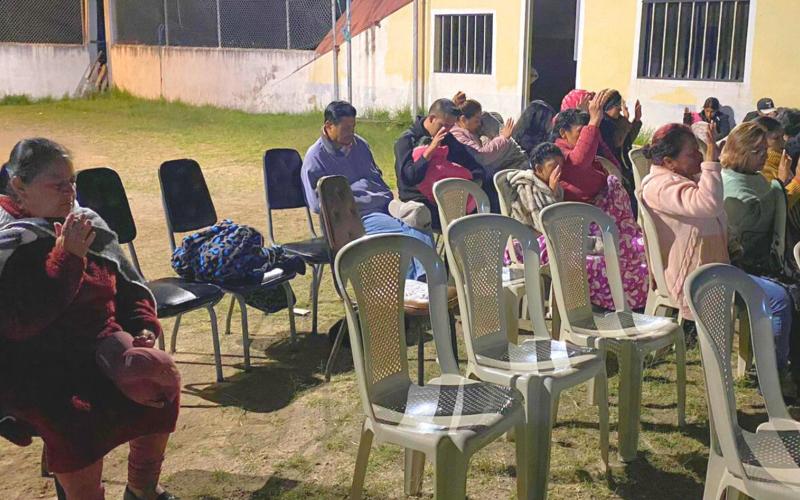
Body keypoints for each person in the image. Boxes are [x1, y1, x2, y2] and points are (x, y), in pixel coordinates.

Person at [0, 139, 180, 500]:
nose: (71, 192)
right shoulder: (9, 241)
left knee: (159, 381)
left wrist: (143, 327)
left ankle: (142, 489)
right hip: (36, 364)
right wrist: (67, 259)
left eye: (73, 182)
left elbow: (127, 287)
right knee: (76, 418)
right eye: (58, 184)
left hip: (102, 347)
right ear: (20, 187)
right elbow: (21, 322)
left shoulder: (83, 223)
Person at [641, 124, 796, 392]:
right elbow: (710, 205)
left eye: (701, 153)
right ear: (669, 161)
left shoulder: (681, 179)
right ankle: (771, 377)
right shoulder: (660, 186)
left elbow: (715, 216)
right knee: (779, 299)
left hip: (716, 269)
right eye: (694, 154)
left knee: (788, 293)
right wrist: (712, 160)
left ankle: (777, 370)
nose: (701, 159)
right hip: (695, 278)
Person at [301, 101, 434, 280]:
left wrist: (377, 195)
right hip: (355, 216)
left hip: (384, 205)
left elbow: (375, 178)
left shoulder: (360, 145)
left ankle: (425, 280)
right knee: (404, 237)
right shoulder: (315, 158)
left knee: (420, 220)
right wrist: (359, 193)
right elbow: (318, 205)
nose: (351, 132)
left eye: (353, 127)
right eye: (346, 128)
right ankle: (422, 284)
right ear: (329, 126)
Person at [552, 90, 649, 309]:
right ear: (563, 133)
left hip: (602, 221)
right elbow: (579, 162)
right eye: (580, 132)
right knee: (623, 258)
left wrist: (633, 122)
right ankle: (616, 303)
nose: (586, 136)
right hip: (579, 228)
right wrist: (594, 122)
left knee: (642, 251)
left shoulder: (586, 147)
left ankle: (636, 304)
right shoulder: (559, 153)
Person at [394, 98, 494, 227]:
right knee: (466, 223)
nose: (446, 130)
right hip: (420, 201)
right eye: (444, 125)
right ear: (431, 118)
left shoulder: (447, 137)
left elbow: (473, 164)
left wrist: (475, 183)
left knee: (490, 193)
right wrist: (429, 152)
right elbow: (409, 178)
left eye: (451, 126)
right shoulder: (406, 141)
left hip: (451, 197)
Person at [450, 99, 528, 174]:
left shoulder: (468, 128)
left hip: (510, 159)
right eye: (476, 121)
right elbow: (481, 156)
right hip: (480, 171)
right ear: (463, 119)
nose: (479, 124)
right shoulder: (458, 136)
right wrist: (503, 138)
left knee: (486, 117)